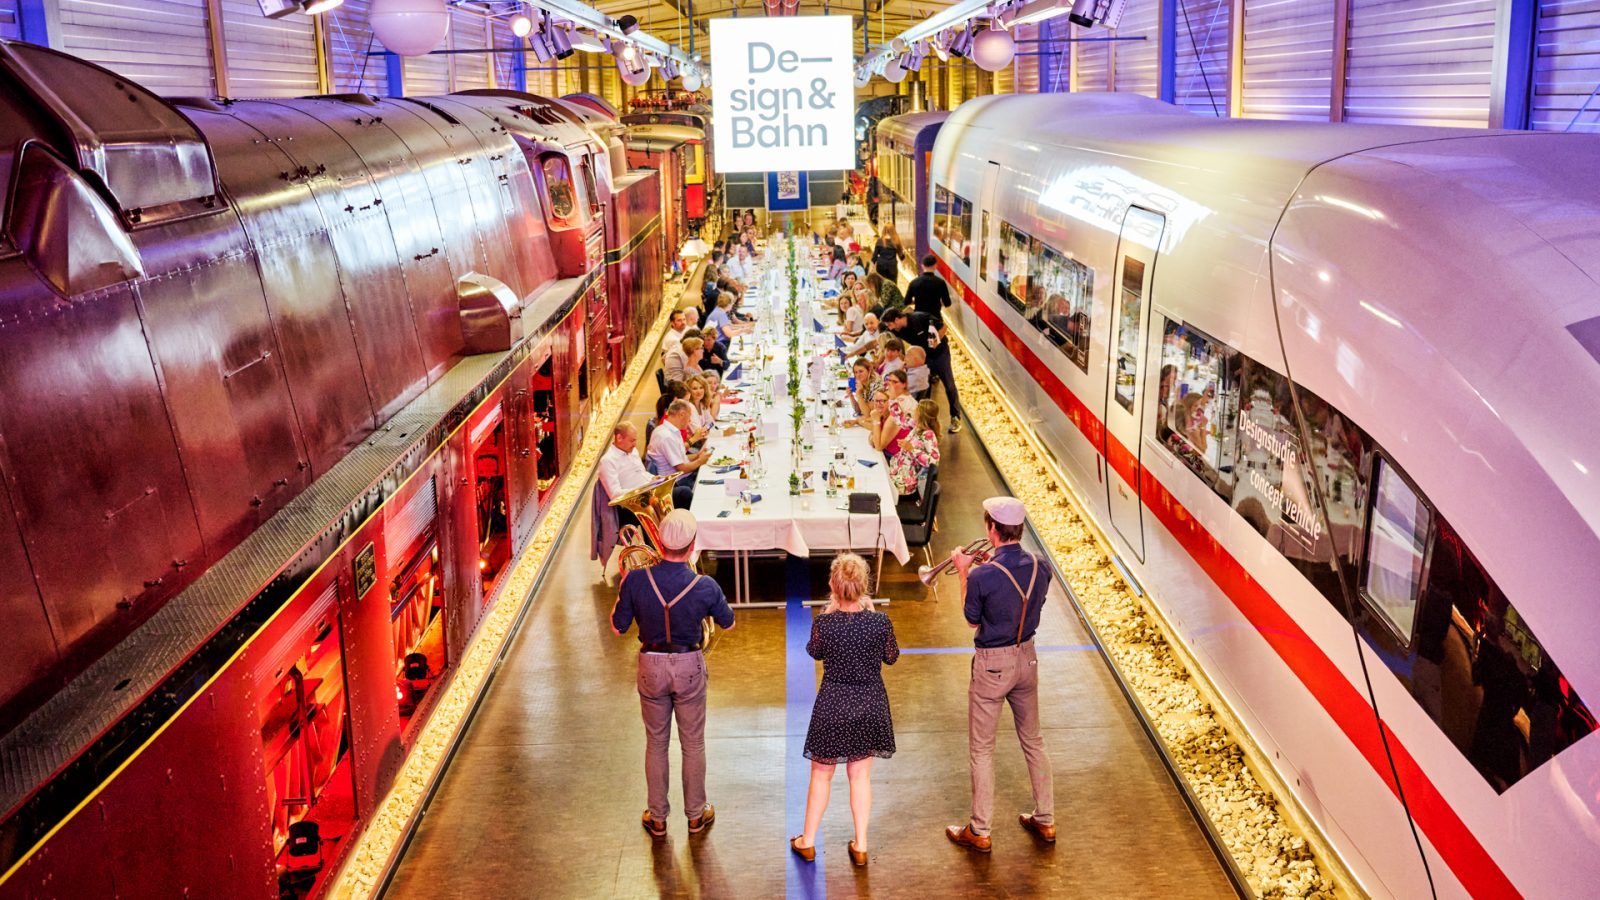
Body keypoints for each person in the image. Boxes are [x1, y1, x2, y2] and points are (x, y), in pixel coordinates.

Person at [611, 509, 737, 838]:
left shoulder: (635, 579)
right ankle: (695, 816)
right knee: (693, 743)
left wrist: (626, 592)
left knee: (656, 743)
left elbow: (618, 627)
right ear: (692, 545)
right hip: (688, 664)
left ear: (660, 541)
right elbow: (728, 622)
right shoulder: (704, 585)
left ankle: (657, 818)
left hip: (650, 665)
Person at [945, 497, 1055, 853]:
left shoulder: (982, 575)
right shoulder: (1041, 566)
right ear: (1018, 529)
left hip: (993, 664)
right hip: (1028, 658)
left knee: (982, 749)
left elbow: (971, 620)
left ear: (992, 528)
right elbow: (1029, 602)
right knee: (1034, 741)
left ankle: (980, 830)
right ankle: (1046, 819)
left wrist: (964, 572)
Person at [791, 553, 900, 867]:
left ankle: (808, 840)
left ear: (833, 586)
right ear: (864, 586)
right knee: (860, 776)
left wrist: (829, 613)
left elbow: (814, 652)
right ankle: (861, 844)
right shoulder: (880, 622)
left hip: (833, 704)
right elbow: (891, 657)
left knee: (821, 775)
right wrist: (873, 616)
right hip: (870, 703)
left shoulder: (824, 623)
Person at [882, 306, 964, 433]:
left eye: (890, 324)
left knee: (949, 384)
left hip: (940, 354)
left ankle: (955, 417)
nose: (890, 328)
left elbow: (943, 327)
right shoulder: (898, 330)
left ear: (897, 319)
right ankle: (924, 421)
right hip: (924, 357)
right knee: (924, 387)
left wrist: (936, 339)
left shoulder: (920, 318)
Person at [648, 399, 710, 508]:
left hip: (682, 477)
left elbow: (681, 457)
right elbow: (682, 469)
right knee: (710, 484)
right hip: (678, 482)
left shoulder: (668, 430)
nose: (690, 420)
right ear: (681, 414)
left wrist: (697, 455)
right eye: (689, 417)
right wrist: (700, 461)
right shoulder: (667, 436)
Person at [889, 400, 941, 498]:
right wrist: (891, 400)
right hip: (898, 471)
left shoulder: (928, 435)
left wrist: (912, 449)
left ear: (920, 414)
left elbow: (934, 461)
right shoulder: (916, 426)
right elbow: (900, 419)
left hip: (906, 482)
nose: (913, 410)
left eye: (916, 409)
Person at [905, 253, 954, 322]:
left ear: (922, 266)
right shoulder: (940, 282)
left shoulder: (914, 282)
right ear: (935, 266)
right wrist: (937, 303)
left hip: (919, 318)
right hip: (935, 317)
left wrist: (918, 302)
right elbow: (947, 303)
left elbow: (906, 301)